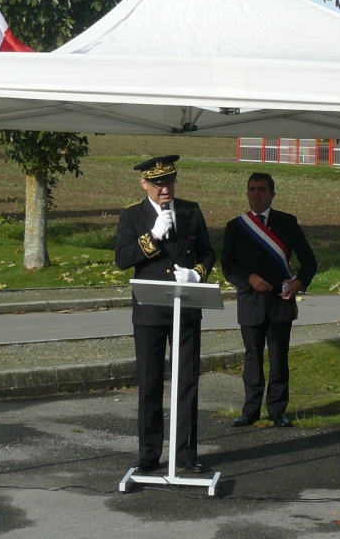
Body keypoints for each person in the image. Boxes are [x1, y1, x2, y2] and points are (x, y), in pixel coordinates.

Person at [114, 155, 215, 474]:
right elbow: (121, 259)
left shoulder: (190, 211)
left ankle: (185, 453)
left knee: (186, 381)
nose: (165, 189)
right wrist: (152, 237)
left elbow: (209, 252)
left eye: (169, 181)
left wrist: (197, 274)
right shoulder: (132, 215)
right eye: (158, 184)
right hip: (150, 310)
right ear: (144, 184)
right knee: (150, 381)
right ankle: (148, 453)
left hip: (185, 305)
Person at [222, 172, 317, 428]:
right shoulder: (236, 226)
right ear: (247, 193)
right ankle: (250, 410)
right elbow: (227, 267)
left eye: (262, 189)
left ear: (272, 194)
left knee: (279, 358)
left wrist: (299, 283)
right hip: (251, 300)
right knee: (252, 358)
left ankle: (277, 410)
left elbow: (309, 260)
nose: (256, 194)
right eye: (252, 189)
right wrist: (248, 278)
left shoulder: (287, 223)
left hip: (280, 301)